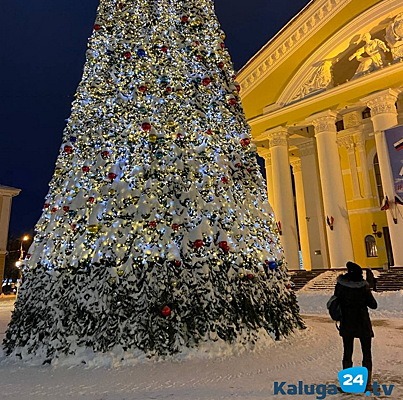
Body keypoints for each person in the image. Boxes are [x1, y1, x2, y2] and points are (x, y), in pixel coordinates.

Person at [334, 261, 377, 391]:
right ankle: (367, 384)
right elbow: (373, 305)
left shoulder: (341, 286)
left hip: (347, 324)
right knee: (366, 353)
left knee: (347, 353)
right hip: (362, 323)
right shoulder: (363, 287)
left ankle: (348, 384)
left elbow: (335, 300)